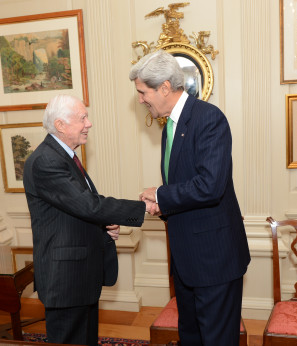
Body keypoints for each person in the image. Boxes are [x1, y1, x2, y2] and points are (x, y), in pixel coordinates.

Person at [130, 50, 251, 346]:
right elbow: (186, 186)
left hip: (214, 260)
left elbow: (210, 186)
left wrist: (161, 194)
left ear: (164, 88)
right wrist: (163, 205)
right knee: (191, 337)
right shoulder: (170, 125)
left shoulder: (209, 118)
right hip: (186, 260)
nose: (141, 100)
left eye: (142, 92)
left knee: (217, 340)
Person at [23, 94, 149, 346]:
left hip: (78, 275)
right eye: (82, 118)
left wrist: (104, 226)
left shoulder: (63, 156)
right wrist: (144, 207)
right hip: (66, 278)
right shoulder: (47, 160)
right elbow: (89, 205)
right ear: (60, 125)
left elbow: (74, 210)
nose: (89, 124)